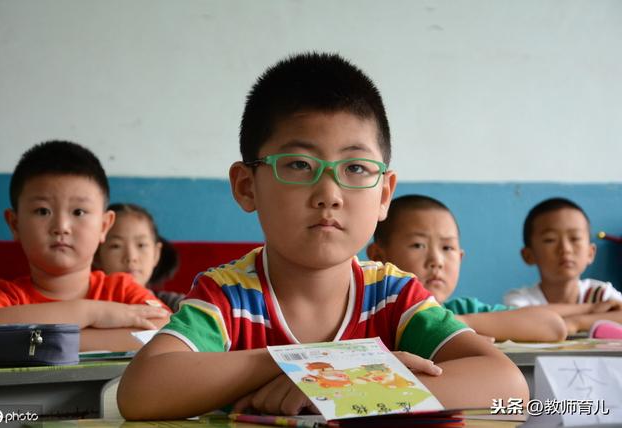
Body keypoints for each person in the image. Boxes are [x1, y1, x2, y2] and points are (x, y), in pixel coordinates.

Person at [117, 52, 528, 420]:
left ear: (384, 194)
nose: (329, 194)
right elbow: (141, 393)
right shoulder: (227, 298)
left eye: (356, 168)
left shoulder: (394, 296)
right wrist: (313, 364)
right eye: (299, 164)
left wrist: (350, 387)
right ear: (246, 186)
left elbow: (508, 386)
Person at [0, 141, 170, 351]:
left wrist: (47, 342)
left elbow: (166, 330)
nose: (61, 227)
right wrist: (91, 313)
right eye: (43, 211)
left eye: (78, 212)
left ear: (104, 226)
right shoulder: (6, 296)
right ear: (15, 224)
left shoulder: (122, 290)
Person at [367, 195, 567, 343]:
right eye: (418, 245)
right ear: (378, 257)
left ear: (460, 258)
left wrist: (454, 324)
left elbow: (552, 326)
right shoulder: (369, 318)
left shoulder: (463, 311)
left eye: (447, 248)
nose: (437, 261)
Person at [504, 197, 622, 334]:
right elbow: (521, 318)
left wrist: (576, 323)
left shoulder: (601, 293)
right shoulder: (520, 299)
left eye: (575, 238)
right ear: (528, 255)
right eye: (550, 240)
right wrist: (590, 309)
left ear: (590, 253)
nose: (565, 249)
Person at [94, 203, 184, 312]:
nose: (131, 257)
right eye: (116, 246)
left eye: (141, 245)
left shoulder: (179, 306)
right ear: (97, 257)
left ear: (156, 254)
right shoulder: (88, 307)